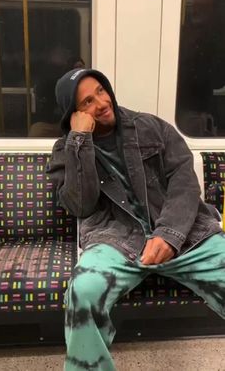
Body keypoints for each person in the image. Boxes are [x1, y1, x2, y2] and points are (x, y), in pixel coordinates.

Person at [46, 68, 225, 371]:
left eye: (101, 90)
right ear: (73, 114)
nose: (101, 103)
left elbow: (184, 181)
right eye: (87, 102)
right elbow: (80, 205)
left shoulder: (151, 127)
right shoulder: (66, 149)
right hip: (115, 238)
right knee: (83, 291)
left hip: (185, 232)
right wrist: (80, 140)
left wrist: (169, 234)